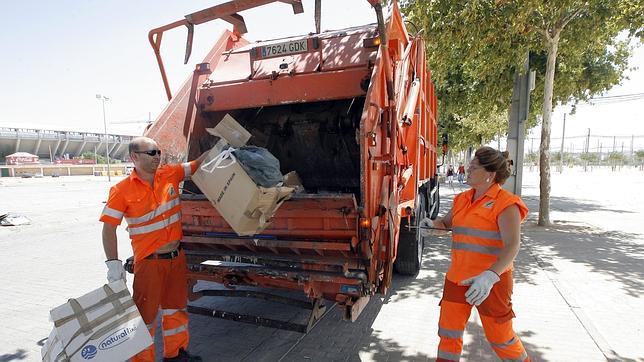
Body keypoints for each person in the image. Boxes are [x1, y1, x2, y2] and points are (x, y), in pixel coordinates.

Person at [99, 137, 207, 362]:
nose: (157, 156)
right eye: (151, 153)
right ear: (134, 157)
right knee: (144, 319)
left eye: (158, 152)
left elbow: (196, 165)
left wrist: (222, 146)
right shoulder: (121, 190)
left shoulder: (170, 174)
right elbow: (109, 229)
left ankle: (176, 355)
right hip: (149, 263)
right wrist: (113, 266)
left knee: (176, 310)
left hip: (176, 258)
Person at [432, 147, 530, 362]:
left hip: (491, 283)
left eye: (474, 167)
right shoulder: (462, 199)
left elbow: (512, 245)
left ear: (490, 174)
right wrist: (431, 225)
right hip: (457, 279)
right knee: (448, 334)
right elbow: (445, 225)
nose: (467, 169)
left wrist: (490, 276)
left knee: (500, 338)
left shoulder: (506, 203)